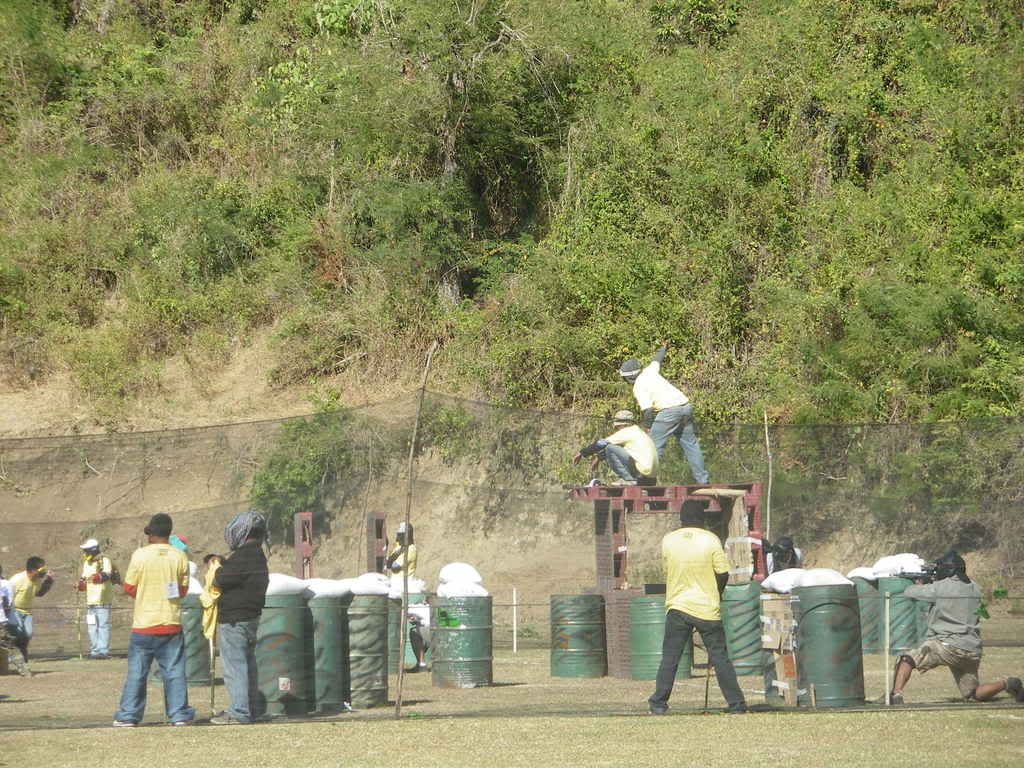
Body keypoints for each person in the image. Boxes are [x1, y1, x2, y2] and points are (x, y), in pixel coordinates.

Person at [885, 550, 1023, 706]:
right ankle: (1008, 684)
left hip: (946, 646)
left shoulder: (940, 587)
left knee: (907, 659)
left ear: (947, 569)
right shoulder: (975, 588)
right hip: (972, 650)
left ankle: (896, 695)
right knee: (973, 694)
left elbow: (910, 593)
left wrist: (919, 584)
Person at [648, 499, 747, 715]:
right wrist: (717, 593)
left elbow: (668, 570)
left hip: (678, 606)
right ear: (701, 519)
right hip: (707, 608)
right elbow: (722, 573)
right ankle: (736, 704)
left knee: (670, 658)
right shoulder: (711, 539)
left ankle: (658, 703)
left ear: (682, 519)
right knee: (720, 658)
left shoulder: (669, 541)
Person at [113, 513, 195, 727]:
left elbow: (129, 588)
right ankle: (178, 715)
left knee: (137, 674)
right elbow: (184, 590)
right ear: (169, 534)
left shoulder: (139, 555)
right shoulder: (179, 556)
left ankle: (129, 716)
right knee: (175, 672)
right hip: (171, 623)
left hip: (144, 625)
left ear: (150, 534)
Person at [619, 344, 709, 484]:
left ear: (629, 378)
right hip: (686, 406)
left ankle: (646, 479)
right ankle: (703, 480)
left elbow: (647, 410)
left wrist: (647, 429)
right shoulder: (649, 371)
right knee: (691, 445)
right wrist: (663, 348)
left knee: (652, 446)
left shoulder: (638, 386)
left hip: (669, 412)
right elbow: (657, 359)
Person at [210, 512, 269, 725]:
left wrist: (217, 566)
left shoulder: (244, 555)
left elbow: (221, 579)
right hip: (251, 618)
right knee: (247, 665)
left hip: (235, 620)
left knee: (235, 667)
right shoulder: (258, 555)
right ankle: (250, 709)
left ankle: (239, 712)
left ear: (242, 533)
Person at [572, 410, 658, 486]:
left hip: (641, 474)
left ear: (621, 424)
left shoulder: (626, 432)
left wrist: (581, 453)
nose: (616, 429)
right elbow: (621, 449)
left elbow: (602, 444)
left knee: (610, 447)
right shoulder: (638, 432)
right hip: (651, 479)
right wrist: (599, 457)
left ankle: (628, 479)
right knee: (611, 448)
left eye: (617, 427)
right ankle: (631, 479)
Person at [386, 522, 429, 671]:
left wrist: (391, 559)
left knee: (414, 626)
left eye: (402, 534)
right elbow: (388, 564)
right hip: (395, 585)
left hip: (406, 586)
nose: (399, 536)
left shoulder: (411, 549)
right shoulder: (399, 548)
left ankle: (420, 661)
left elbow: (395, 566)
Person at [7, 556, 54, 661]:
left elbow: (39, 593)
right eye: (41, 570)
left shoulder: (37, 580)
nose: (43, 573)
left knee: (28, 633)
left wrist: (49, 581)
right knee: (17, 633)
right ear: (32, 570)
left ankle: (20, 653)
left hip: (27, 611)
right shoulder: (17, 580)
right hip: (14, 610)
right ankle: (15, 656)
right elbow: (6, 595)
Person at [76, 538, 116, 659]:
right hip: (90, 602)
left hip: (103, 600)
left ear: (93, 550)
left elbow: (107, 575)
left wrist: (98, 576)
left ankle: (103, 651)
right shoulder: (86, 563)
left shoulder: (104, 560)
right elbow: (83, 579)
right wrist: (80, 584)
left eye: (86, 551)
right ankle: (94, 651)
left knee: (103, 625)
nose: (85, 554)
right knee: (91, 626)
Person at [0, 564, 31, 677]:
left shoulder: (4, 584)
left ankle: (24, 669)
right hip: (2, 621)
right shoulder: (4, 584)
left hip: (1, 621)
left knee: (9, 645)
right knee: (9, 646)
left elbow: (7, 603)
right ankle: (24, 670)